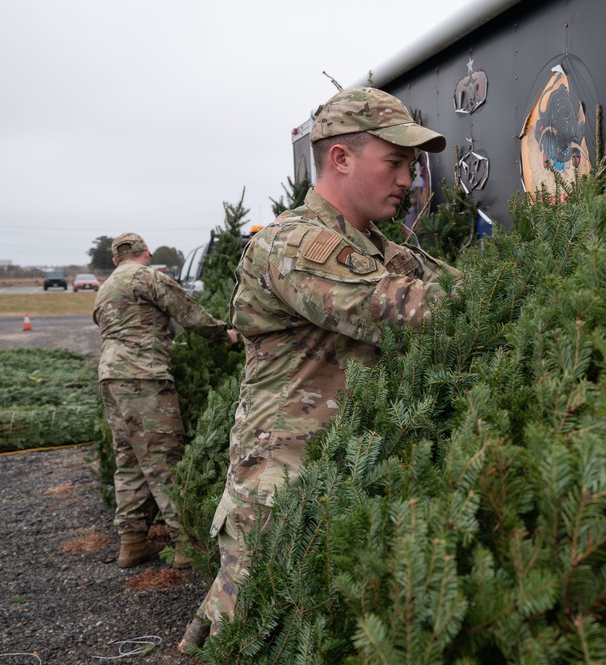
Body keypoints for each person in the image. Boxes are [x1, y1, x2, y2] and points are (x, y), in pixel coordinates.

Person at [179, 87, 461, 652]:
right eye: (396, 162)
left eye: (411, 164)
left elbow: (449, 289)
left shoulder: (384, 249)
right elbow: (409, 311)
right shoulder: (294, 246)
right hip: (282, 492)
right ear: (340, 158)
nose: (409, 178)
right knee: (256, 639)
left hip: (344, 475)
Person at [94, 233, 238, 570]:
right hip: (144, 377)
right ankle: (186, 545)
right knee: (164, 461)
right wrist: (225, 334)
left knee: (128, 460)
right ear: (146, 253)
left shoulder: (104, 288)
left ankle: (131, 545)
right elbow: (188, 313)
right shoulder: (148, 277)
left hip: (110, 377)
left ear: (116, 260)